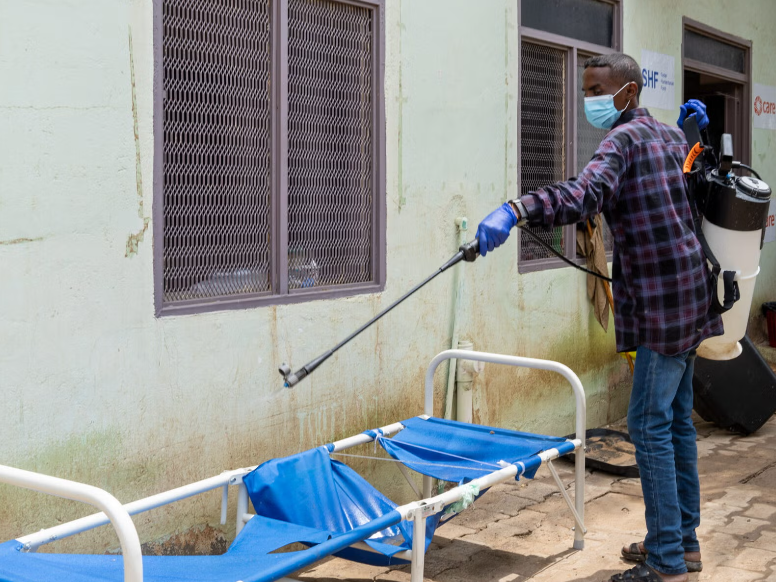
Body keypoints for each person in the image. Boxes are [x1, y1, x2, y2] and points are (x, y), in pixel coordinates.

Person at [475, 53, 722, 582]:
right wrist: (698, 142)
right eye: (585, 87)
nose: (589, 98)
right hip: (691, 294)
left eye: (597, 89)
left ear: (627, 92)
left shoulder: (624, 140)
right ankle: (683, 543)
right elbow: (691, 199)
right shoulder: (668, 138)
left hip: (661, 303)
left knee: (647, 424)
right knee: (675, 422)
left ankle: (666, 564)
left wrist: (516, 210)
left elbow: (584, 193)